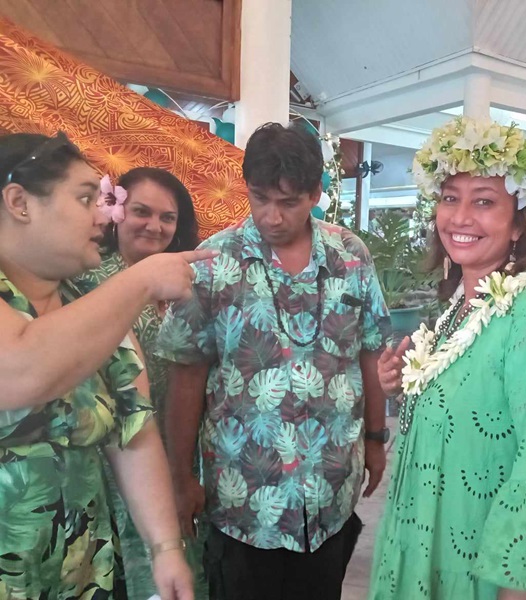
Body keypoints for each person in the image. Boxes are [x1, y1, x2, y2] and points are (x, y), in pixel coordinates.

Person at [157, 122, 392, 600]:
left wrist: (374, 438)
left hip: (329, 491)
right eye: (259, 198)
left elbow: (368, 351)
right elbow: (186, 376)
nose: (271, 217)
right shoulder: (213, 262)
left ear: (315, 194)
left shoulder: (350, 256)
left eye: (288, 203)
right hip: (242, 498)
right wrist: (180, 478)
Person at [370, 117, 526, 600]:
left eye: (485, 201)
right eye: (450, 197)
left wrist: (519, 590)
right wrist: (402, 387)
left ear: (519, 225)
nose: (460, 217)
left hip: (482, 570)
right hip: (424, 543)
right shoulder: (460, 306)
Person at [0, 131, 214, 599]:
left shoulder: (87, 303)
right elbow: (18, 371)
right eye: (84, 198)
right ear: (19, 202)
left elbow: (133, 430)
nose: (104, 214)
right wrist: (139, 282)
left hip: (79, 568)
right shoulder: (109, 300)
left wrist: (164, 547)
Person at [74, 167, 207, 600]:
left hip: (182, 451)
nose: (155, 226)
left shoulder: (184, 281)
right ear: (115, 212)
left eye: (167, 217)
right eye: (142, 212)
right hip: (123, 456)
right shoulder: (89, 283)